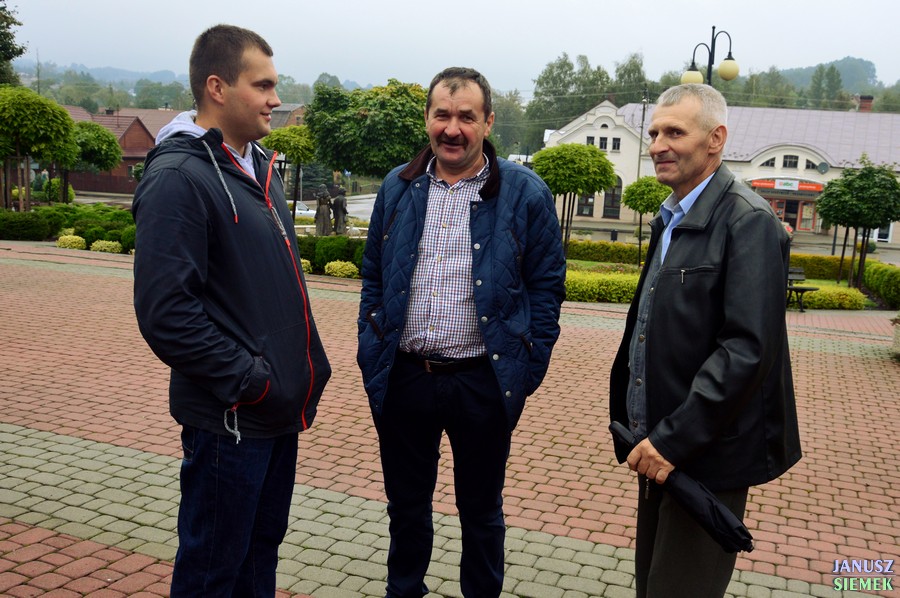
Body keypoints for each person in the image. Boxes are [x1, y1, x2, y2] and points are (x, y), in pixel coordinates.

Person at [132, 24, 331, 596]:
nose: (276, 99)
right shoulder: (179, 178)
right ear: (217, 88)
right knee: (213, 573)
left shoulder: (256, 166)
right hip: (231, 419)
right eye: (262, 85)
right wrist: (251, 381)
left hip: (274, 414)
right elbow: (167, 313)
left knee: (256, 562)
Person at [357, 67, 566, 598]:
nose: (452, 129)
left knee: (481, 511)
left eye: (466, 117)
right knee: (406, 506)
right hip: (406, 374)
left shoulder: (526, 193)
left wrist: (528, 364)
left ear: (488, 122)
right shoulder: (397, 187)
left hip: (483, 381)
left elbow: (547, 287)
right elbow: (373, 275)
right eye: (442, 115)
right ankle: (404, 591)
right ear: (427, 118)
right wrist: (371, 345)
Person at [608, 83, 802, 598]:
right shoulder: (671, 216)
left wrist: (672, 440)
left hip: (703, 454)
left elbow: (746, 349)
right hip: (660, 447)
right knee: (653, 585)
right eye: (654, 133)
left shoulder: (748, 221)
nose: (657, 145)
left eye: (674, 132)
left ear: (716, 139)